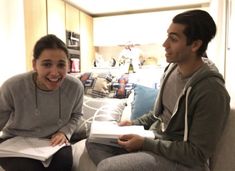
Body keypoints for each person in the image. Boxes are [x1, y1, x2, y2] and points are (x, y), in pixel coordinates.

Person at [85, 9, 230, 171]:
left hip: (184, 161)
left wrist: (145, 144)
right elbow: (158, 114)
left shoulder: (211, 90)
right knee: (94, 141)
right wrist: (133, 123)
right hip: (156, 140)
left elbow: (196, 154)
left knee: (108, 167)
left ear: (195, 44)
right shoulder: (172, 69)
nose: (165, 44)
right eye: (167, 36)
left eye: (173, 39)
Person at [0, 34, 84, 171]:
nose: (55, 73)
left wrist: (64, 132)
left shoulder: (75, 87)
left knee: (64, 163)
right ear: (35, 64)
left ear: (68, 65)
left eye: (61, 65)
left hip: (53, 141)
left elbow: (77, 115)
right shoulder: (12, 86)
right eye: (47, 64)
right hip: (16, 140)